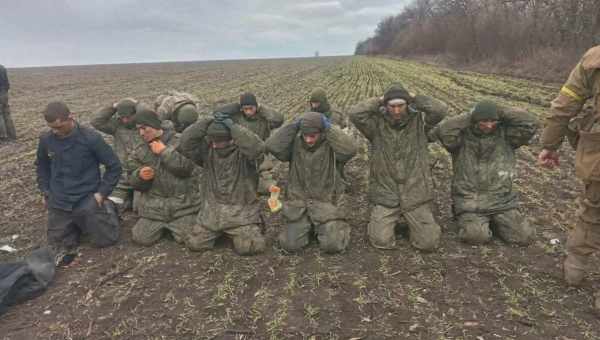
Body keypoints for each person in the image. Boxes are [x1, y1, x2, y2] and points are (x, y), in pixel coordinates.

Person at [349, 83, 447, 251]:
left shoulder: (420, 123)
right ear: (386, 106)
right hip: (387, 194)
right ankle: (390, 218)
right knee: (380, 241)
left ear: (407, 104)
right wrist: (379, 99)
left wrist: (415, 98)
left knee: (429, 243)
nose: (396, 111)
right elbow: (355, 114)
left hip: (415, 194)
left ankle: (415, 220)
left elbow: (440, 110)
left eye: (400, 105)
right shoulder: (375, 126)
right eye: (391, 106)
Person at [538, 45, 600, 310]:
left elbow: (564, 106)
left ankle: (574, 268)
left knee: (592, 210)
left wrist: (550, 145)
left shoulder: (594, 58)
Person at [431, 100, 538, 245]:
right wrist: (471, 114)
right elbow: (443, 130)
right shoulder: (461, 139)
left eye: (493, 121)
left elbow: (530, 123)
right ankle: (473, 221)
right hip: (471, 202)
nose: (489, 125)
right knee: (475, 237)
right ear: (474, 121)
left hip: (502, 201)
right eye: (483, 121)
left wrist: (498, 110)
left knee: (524, 237)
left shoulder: (508, 136)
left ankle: (497, 221)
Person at [35, 101, 121, 265]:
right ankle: (75, 224)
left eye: (59, 127)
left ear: (71, 118)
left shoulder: (91, 138)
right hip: (60, 199)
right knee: (58, 245)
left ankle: (108, 209)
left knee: (106, 240)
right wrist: (45, 191)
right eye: (52, 127)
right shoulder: (46, 139)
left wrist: (102, 193)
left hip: (87, 196)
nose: (55, 131)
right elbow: (42, 167)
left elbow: (114, 166)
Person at [266, 111, 358, 253]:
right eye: (305, 135)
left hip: (326, 206)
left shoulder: (332, 147)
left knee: (333, 245)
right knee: (289, 245)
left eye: (313, 136)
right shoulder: (294, 146)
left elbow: (351, 149)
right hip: (299, 207)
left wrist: (329, 127)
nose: (308, 140)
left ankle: (335, 226)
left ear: (321, 133)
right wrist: (294, 126)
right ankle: (307, 227)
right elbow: (272, 145)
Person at [178, 111, 267, 255]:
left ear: (231, 139)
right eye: (212, 141)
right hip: (212, 215)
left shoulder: (245, 155)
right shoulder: (207, 152)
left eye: (219, 141)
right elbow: (185, 143)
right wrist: (206, 121)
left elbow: (258, 148)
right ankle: (220, 232)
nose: (214, 145)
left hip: (241, 216)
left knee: (250, 247)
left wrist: (233, 127)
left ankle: (249, 228)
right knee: (195, 244)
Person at [126, 109, 201, 247]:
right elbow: (131, 179)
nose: (141, 133)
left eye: (144, 128)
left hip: (183, 206)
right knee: (140, 238)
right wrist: (140, 176)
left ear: (155, 126)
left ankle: (177, 225)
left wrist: (164, 152)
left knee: (191, 239)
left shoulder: (181, 141)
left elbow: (188, 169)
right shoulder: (139, 150)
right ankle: (164, 226)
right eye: (138, 129)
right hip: (154, 209)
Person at [217, 92, 284, 194]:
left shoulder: (263, 119)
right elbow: (217, 113)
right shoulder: (237, 117)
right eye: (245, 109)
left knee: (265, 177)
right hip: (241, 152)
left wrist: (261, 108)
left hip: (260, 153)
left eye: (251, 108)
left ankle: (267, 188)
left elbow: (279, 119)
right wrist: (234, 106)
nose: (248, 112)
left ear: (256, 107)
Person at [91, 98, 144, 213]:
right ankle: (127, 199)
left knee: (139, 209)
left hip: (142, 176)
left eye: (128, 117)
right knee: (110, 206)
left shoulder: (145, 126)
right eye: (122, 117)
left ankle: (132, 200)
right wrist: (113, 106)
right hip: (122, 177)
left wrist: (138, 104)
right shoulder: (116, 126)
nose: (125, 120)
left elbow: (155, 117)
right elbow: (96, 122)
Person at [0, 64, 16, 141]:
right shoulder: (2, 67)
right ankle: (12, 135)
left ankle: (3, 136)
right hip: (4, 94)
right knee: (7, 114)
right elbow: (7, 84)